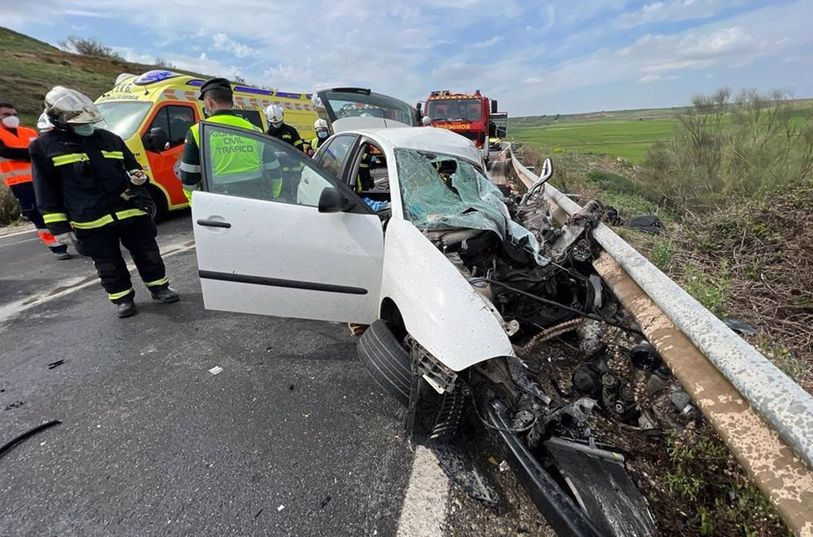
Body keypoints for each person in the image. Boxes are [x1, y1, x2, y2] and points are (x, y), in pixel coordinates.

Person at [30, 86, 179, 318]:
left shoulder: (110, 139)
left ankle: (160, 288)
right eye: (80, 123)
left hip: (129, 210)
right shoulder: (43, 147)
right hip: (90, 218)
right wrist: (58, 227)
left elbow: (133, 167)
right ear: (60, 120)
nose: (87, 126)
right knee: (107, 263)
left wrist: (139, 177)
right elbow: (45, 189)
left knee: (148, 253)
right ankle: (123, 300)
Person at [180, 77, 276, 198]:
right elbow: (274, 168)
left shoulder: (197, 131)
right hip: (257, 198)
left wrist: (194, 202)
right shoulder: (255, 130)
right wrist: (275, 194)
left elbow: (189, 177)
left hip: (218, 200)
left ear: (209, 102)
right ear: (232, 102)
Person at [0, 102, 71, 259]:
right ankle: (57, 247)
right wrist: (32, 153)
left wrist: (28, 153)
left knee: (60, 206)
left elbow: (44, 148)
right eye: (6, 114)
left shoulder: (29, 131)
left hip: (43, 176)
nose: (12, 117)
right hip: (20, 183)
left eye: (14, 114)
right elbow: (6, 152)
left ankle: (72, 236)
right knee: (36, 214)